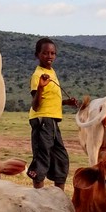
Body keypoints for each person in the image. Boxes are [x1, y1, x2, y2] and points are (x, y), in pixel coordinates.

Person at [27, 38, 78, 189]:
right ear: (37, 55)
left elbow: (49, 100)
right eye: (45, 53)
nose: (49, 56)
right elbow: (36, 106)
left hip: (52, 121)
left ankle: (59, 200)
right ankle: (39, 200)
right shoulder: (38, 76)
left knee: (61, 159)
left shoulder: (51, 72)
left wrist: (66, 103)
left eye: (53, 53)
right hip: (42, 120)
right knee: (42, 159)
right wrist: (41, 87)